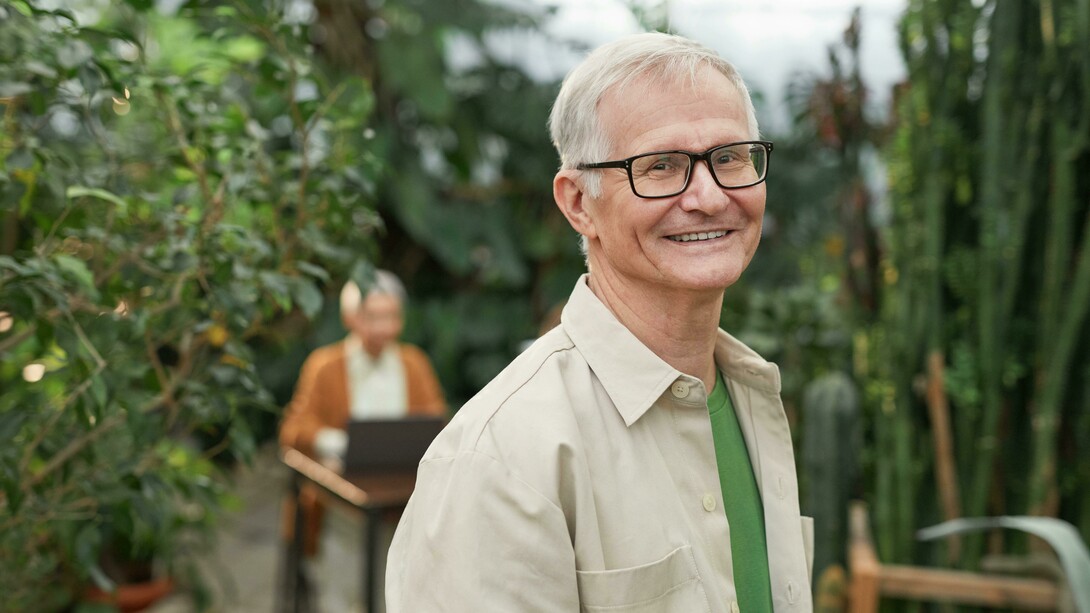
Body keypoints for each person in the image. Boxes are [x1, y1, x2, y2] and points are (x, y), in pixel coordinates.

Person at [386, 32, 813, 612]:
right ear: (578, 204)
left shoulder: (750, 398)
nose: (710, 197)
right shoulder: (503, 459)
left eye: (729, 158)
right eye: (661, 166)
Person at [280, 270, 446, 555]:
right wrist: (341, 443)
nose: (383, 328)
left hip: (405, 500)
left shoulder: (414, 364)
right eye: (372, 317)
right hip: (343, 502)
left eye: (391, 317)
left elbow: (438, 423)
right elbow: (293, 430)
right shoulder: (324, 366)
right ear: (349, 318)